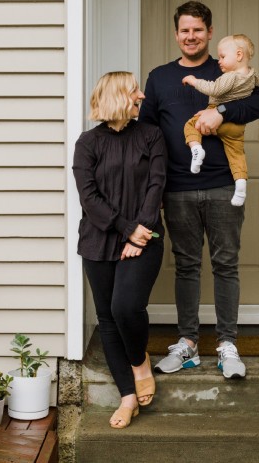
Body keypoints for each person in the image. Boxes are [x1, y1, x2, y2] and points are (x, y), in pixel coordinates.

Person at [139, 1, 259, 379]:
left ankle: (227, 343)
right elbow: (147, 131)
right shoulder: (160, 77)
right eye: (185, 30)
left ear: (210, 33)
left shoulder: (228, 68)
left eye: (198, 30)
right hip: (177, 188)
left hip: (223, 186)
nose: (191, 36)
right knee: (187, 266)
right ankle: (188, 344)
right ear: (176, 34)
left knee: (226, 265)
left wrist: (222, 112)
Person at [72, 71, 167, 429]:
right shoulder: (88, 143)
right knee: (108, 319)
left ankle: (139, 360)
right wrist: (126, 230)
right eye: (134, 91)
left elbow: (157, 184)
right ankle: (127, 395)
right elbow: (89, 197)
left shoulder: (151, 135)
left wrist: (139, 233)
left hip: (146, 236)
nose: (141, 96)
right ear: (116, 96)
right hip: (99, 240)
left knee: (126, 306)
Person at [182, 33, 259, 207]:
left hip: (220, 115)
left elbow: (214, 89)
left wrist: (194, 81)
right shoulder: (251, 74)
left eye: (222, 56)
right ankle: (241, 185)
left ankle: (197, 149)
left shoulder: (230, 76)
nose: (219, 60)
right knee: (236, 155)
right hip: (237, 127)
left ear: (238, 55)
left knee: (191, 125)